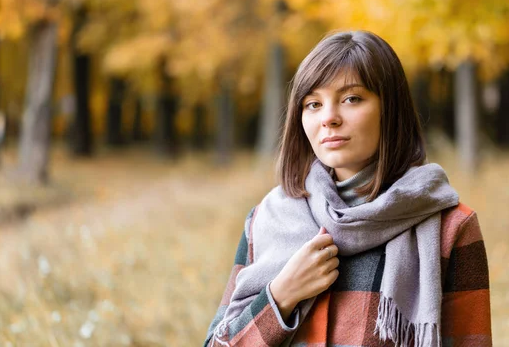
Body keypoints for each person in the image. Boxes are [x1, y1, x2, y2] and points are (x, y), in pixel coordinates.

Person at [204, 30, 491, 347]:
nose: (328, 118)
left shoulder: (451, 228)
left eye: (351, 98)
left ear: (390, 109)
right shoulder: (266, 221)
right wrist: (280, 296)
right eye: (313, 104)